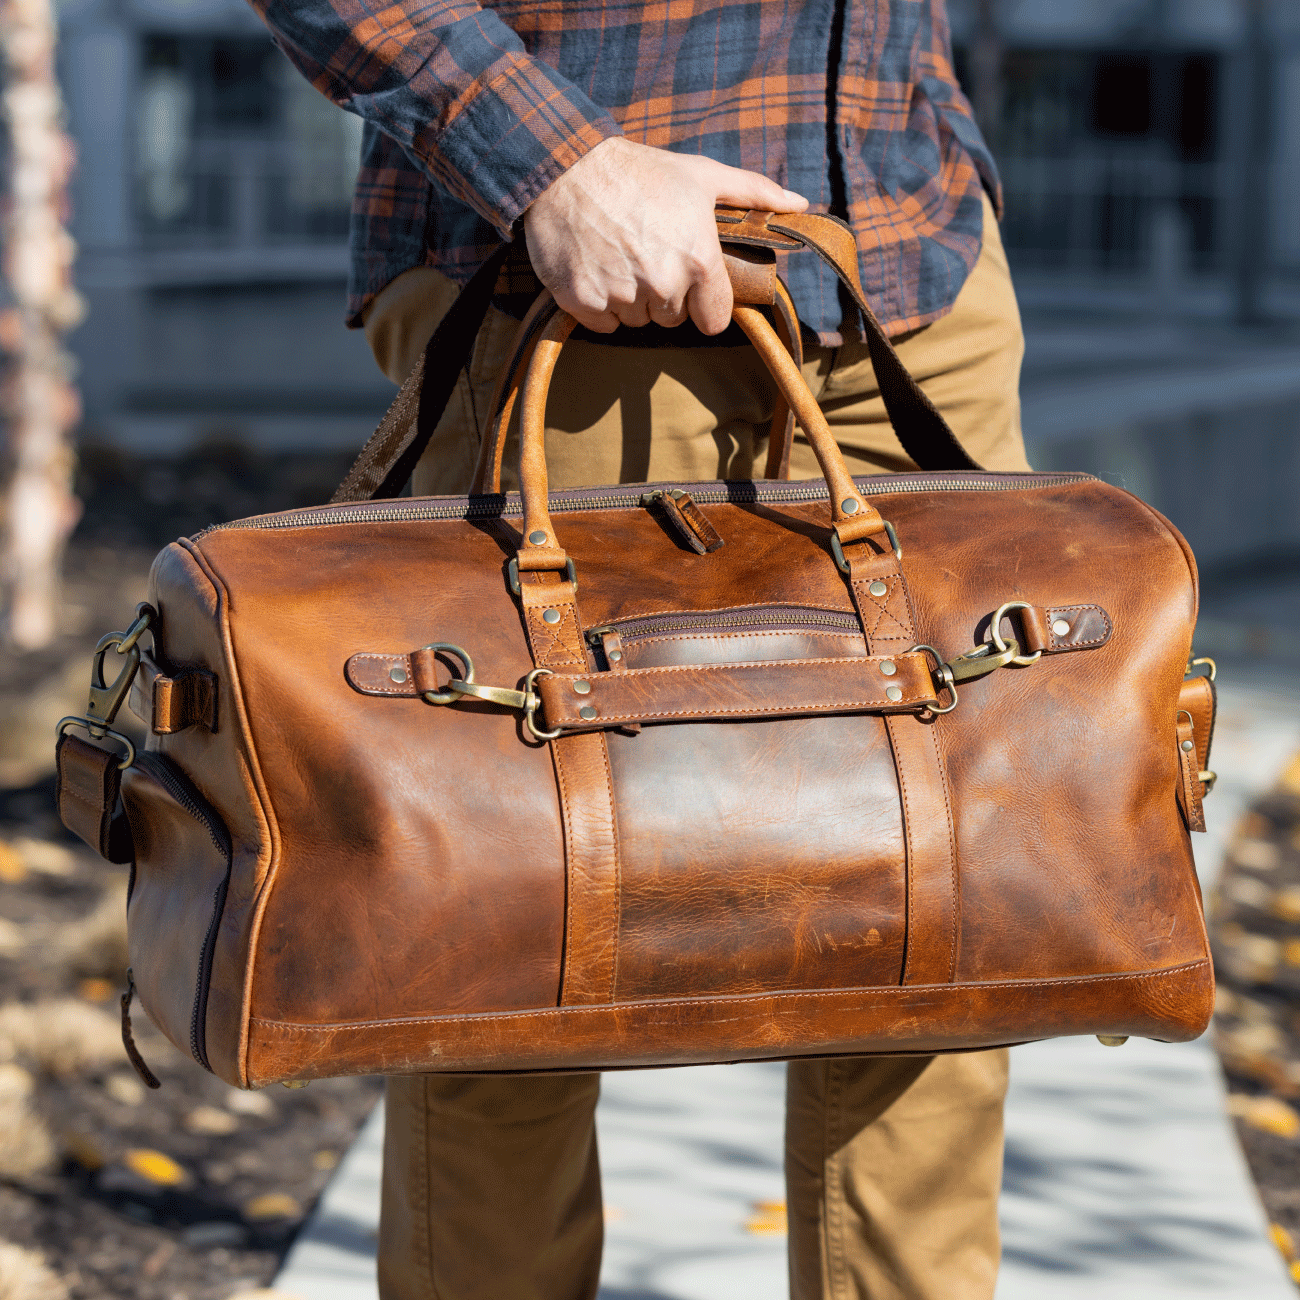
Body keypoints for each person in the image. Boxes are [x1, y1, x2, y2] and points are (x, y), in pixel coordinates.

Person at [252, 0, 1030, 1294]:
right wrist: (553, 161)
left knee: (941, 937)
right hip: (577, 269)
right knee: (522, 937)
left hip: (907, 258)